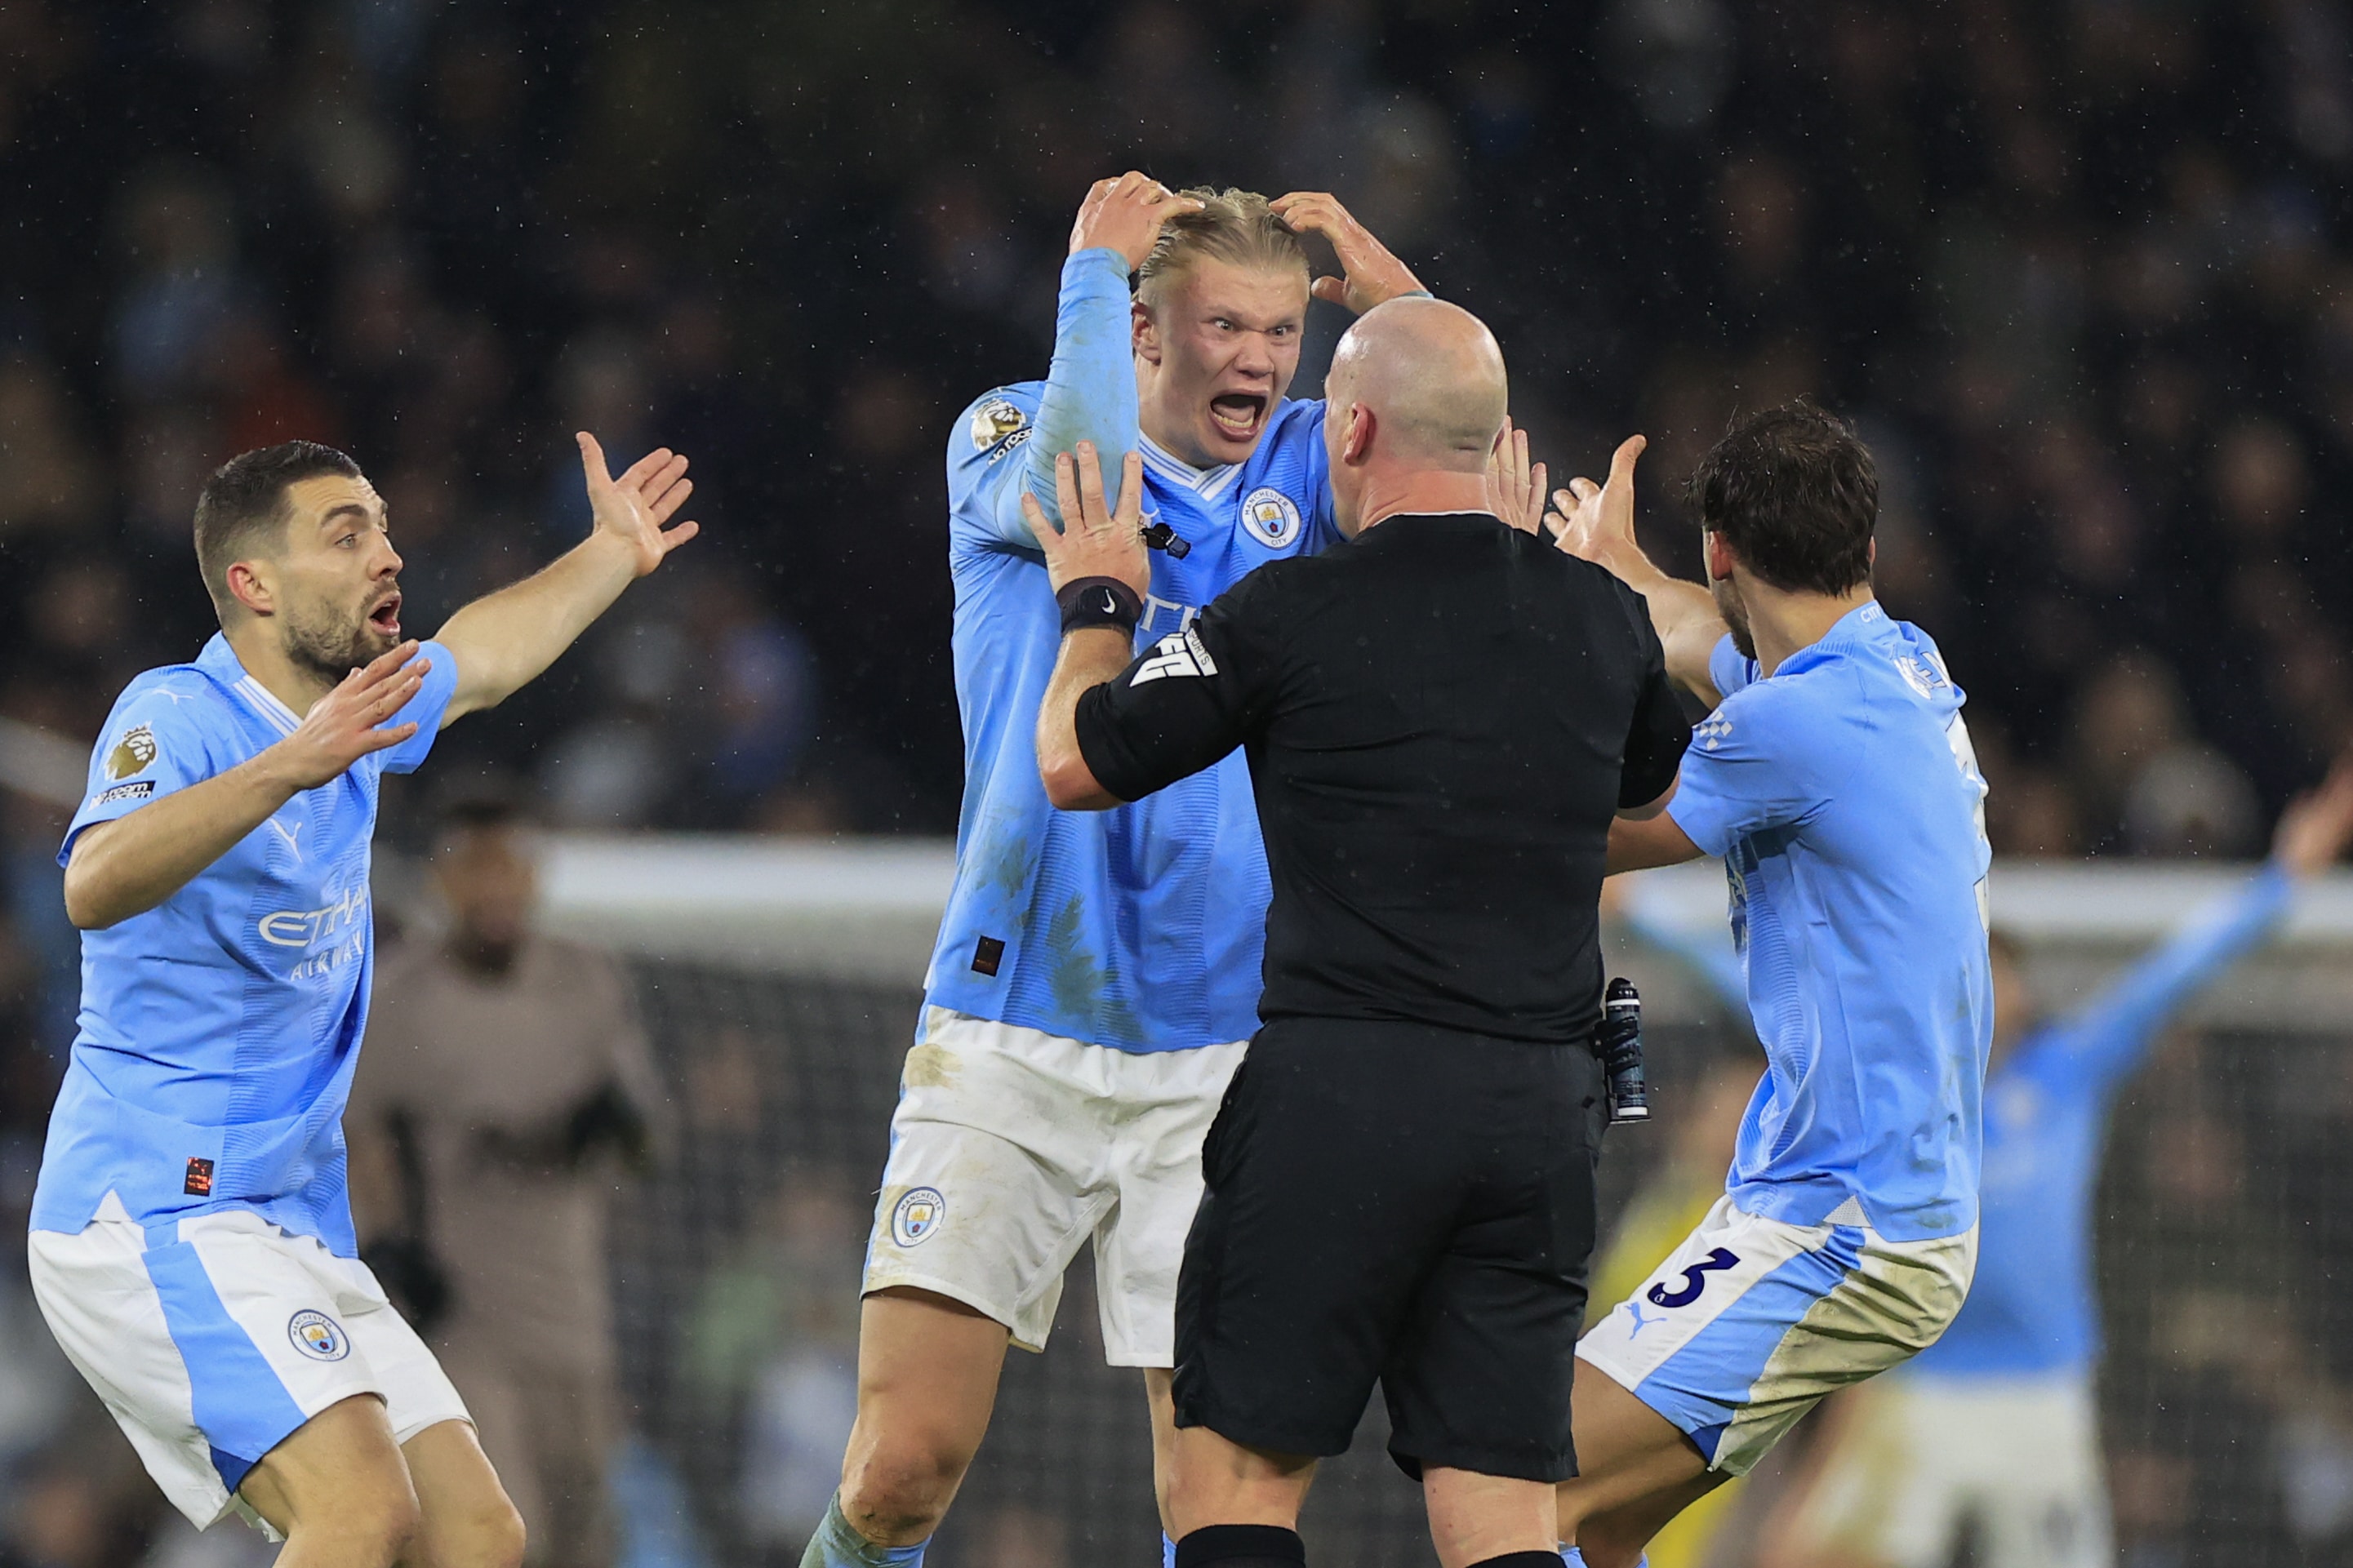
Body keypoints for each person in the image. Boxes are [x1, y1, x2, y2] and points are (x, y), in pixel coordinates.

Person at [808, 176, 1436, 1568]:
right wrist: (1085, 279)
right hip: (1012, 1011)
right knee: (902, 1467)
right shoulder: (1011, 425)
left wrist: (1393, 298)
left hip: (1227, 1040)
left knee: (1221, 1499)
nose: (1265, 359)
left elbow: (1469, 475)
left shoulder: (1309, 468)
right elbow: (1072, 487)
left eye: (1284, 330)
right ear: (1144, 328)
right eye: (1227, 324)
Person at [1032, 295, 1692, 1568]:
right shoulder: (1601, 620)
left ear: (1349, 430)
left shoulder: (1290, 610)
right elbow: (1668, 807)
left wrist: (1099, 603)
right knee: (1499, 1508)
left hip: (1342, 1092)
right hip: (1533, 1114)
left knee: (1233, 1481)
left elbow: (1075, 761)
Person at [27, 433, 699, 1566]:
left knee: (475, 1533)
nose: (386, 553)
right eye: (346, 534)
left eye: (383, 527)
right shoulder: (180, 712)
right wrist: (286, 765)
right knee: (359, 1513)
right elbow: (93, 882)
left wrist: (606, 556)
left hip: (290, 1218)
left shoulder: (361, 711)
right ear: (253, 584)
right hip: (152, 1207)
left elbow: (480, 659)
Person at [1549, 402, 1993, 1566]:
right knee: (1589, 1522)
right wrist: (1621, 568)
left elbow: (1574, 831)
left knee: (1517, 1483)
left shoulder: (1795, 725)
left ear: (1724, 549)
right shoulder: (1893, 661)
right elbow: (1705, 638)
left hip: (1844, 1223)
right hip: (1856, 1204)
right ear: (1867, 553)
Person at [1739, 753, 2353, 1568]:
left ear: (2021, 994)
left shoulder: (2065, 1073)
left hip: (2042, 1387)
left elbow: (2172, 975)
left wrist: (2280, 882)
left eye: (1998, 974)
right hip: (1920, 1381)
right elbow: (1745, 987)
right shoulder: (1894, 1087)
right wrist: (1640, 911)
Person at [347, 792, 674, 1568]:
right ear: (440, 881)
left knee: (587, 1539)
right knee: (496, 1536)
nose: (494, 889)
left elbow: (647, 1144)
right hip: (463, 1324)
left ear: (533, 876)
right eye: (474, 870)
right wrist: (384, 1249)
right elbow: (354, 1143)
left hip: (575, 1320)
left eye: (509, 868)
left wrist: (612, 1130)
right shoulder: (398, 1002)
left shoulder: (586, 982)